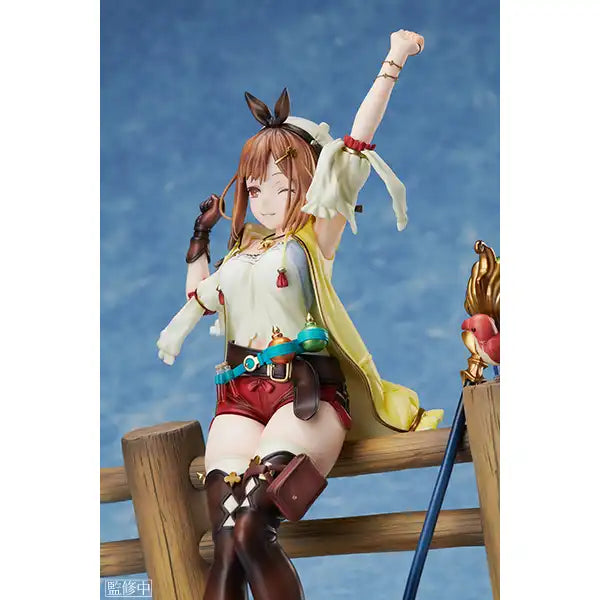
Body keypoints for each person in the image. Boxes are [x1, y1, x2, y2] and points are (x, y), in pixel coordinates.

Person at [157, 28, 443, 600]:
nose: (265, 199)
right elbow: (199, 299)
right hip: (237, 397)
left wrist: (392, 60)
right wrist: (200, 238)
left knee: (249, 527)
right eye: (256, 186)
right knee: (225, 540)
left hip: (303, 392)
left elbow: (357, 143)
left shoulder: (314, 236)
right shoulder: (240, 253)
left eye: (281, 185)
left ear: (308, 184)